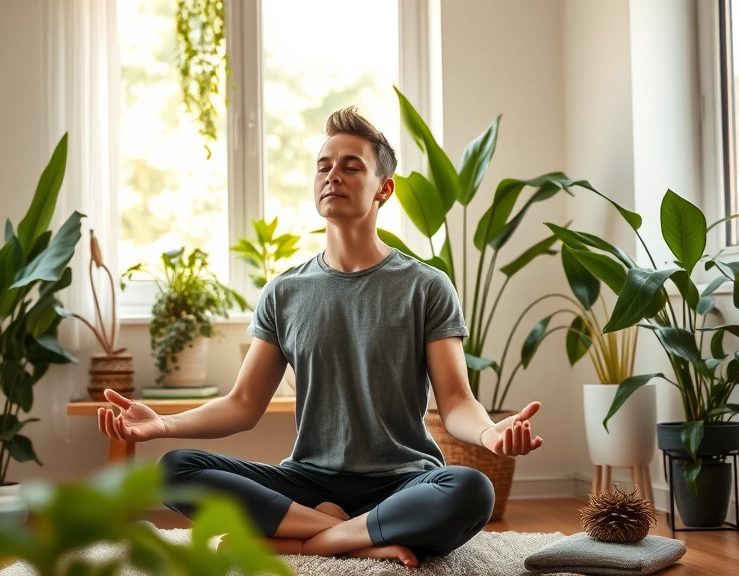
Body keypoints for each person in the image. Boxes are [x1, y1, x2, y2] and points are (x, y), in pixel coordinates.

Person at [97, 107, 544, 568]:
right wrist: (164, 425)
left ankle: (306, 538)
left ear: (383, 189)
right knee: (175, 470)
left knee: (471, 491)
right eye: (324, 166)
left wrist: (490, 431)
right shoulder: (285, 292)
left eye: (351, 166)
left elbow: (454, 401)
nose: (333, 176)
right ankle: (354, 533)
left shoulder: (425, 286)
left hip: (404, 481)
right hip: (309, 481)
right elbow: (244, 404)